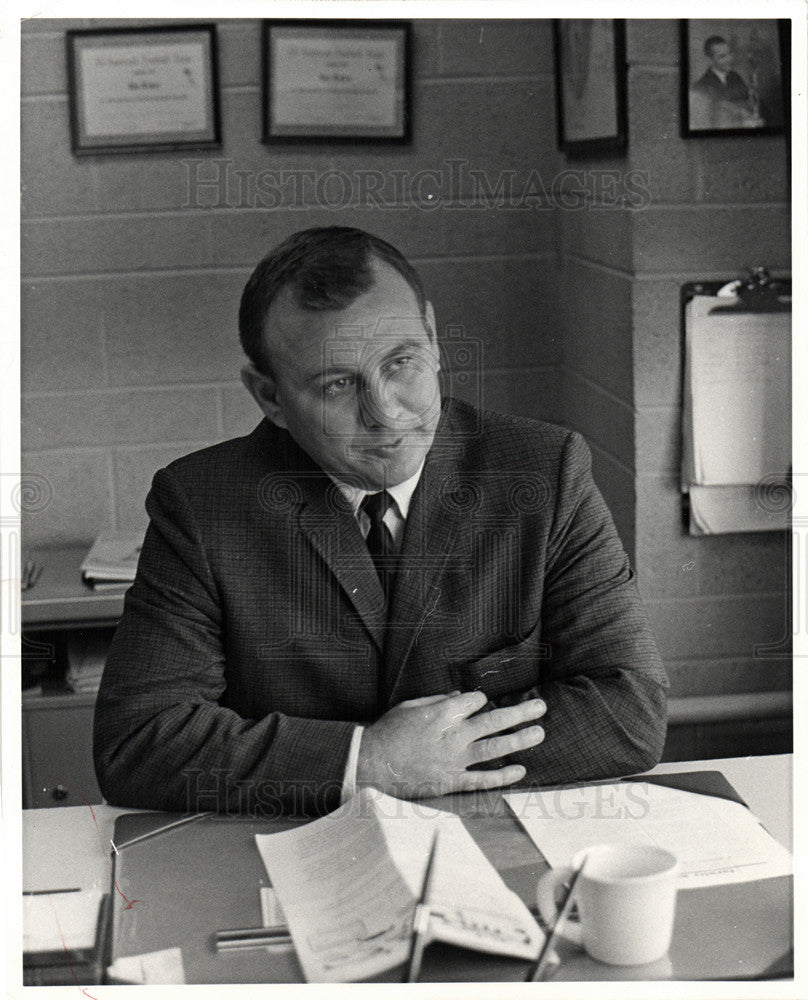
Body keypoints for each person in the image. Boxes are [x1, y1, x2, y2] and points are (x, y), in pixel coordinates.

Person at [94, 226, 668, 816]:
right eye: (338, 385)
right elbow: (138, 742)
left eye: (401, 363)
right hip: (290, 850)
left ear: (434, 337)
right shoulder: (201, 503)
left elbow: (629, 709)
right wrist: (369, 761)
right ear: (269, 397)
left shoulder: (545, 471)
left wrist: (438, 762)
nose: (386, 413)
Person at [690, 35, 763, 129]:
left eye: (729, 53)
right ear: (710, 60)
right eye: (722, 56)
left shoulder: (735, 77)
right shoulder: (700, 86)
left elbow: (751, 102)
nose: (729, 59)